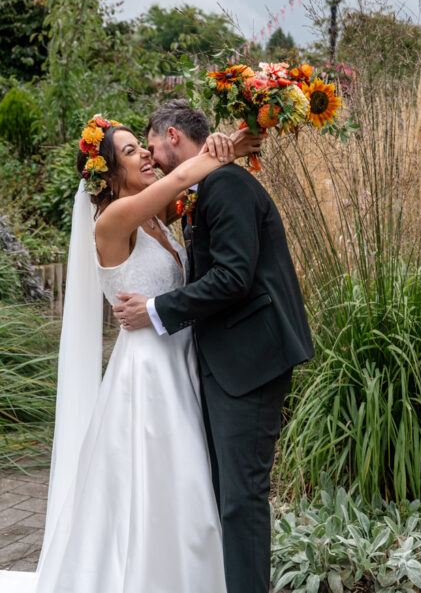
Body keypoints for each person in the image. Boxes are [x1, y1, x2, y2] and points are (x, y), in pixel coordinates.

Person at [0, 113, 258, 593]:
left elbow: (185, 189)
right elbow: (181, 175)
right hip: (148, 374)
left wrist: (238, 135)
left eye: (143, 146)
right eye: (132, 151)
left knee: (187, 484)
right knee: (163, 482)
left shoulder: (154, 217)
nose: (146, 155)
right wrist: (227, 148)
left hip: (179, 361)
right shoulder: (114, 220)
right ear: (109, 174)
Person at [112, 100, 315, 593]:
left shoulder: (224, 185)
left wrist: (156, 309)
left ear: (174, 136)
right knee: (225, 493)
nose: (152, 156)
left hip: (250, 360)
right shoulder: (204, 189)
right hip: (225, 362)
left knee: (240, 498)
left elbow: (232, 278)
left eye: (152, 144)